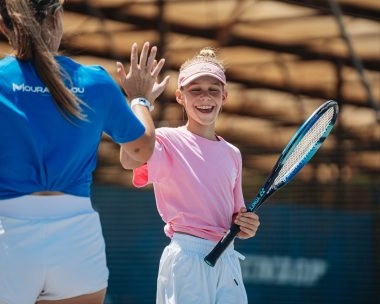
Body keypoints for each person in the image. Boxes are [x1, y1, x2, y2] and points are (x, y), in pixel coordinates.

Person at [0, 0, 169, 303]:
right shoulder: (94, 82)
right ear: (58, 18)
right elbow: (142, 148)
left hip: (8, 240)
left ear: (4, 26)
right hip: (75, 243)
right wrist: (141, 99)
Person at [120, 47, 261, 304]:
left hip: (227, 259)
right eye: (195, 89)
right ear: (180, 97)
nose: (205, 96)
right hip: (187, 258)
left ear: (224, 96)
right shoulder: (165, 139)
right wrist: (139, 102)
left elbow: (235, 220)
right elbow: (129, 158)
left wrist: (246, 225)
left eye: (213, 89)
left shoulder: (233, 154)